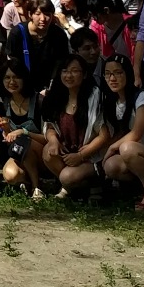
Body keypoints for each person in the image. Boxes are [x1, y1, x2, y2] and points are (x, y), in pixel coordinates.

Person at [97, 54, 144, 211]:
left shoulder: (142, 97)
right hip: (137, 156)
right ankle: (142, 190)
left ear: (127, 74)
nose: (112, 78)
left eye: (118, 72)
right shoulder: (113, 102)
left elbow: (136, 133)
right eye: (108, 74)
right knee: (111, 166)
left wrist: (111, 149)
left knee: (127, 148)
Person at [40, 54, 108, 198]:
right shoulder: (56, 96)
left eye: (74, 71)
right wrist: (53, 140)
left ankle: (90, 183)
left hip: (91, 156)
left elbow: (104, 135)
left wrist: (81, 155)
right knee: (48, 151)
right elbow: (50, 126)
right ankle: (75, 187)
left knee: (66, 177)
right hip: (68, 153)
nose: (68, 75)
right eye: (64, 71)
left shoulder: (94, 97)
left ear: (84, 75)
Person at [0, 61, 46, 196]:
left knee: (24, 141)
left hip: (43, 154)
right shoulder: (3, 102)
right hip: (19, 153)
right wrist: (6, 130)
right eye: (7, 78)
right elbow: (10, 141)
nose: (12, 81)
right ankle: (27, 180)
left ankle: (37, 187)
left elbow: (48, 138)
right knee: (10, 175)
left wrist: (24, 132)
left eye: (16, 77)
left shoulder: (39, 101)